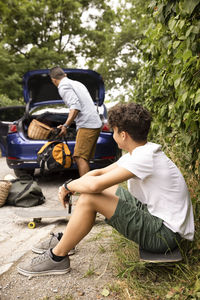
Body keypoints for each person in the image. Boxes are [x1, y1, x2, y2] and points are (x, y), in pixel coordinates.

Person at [17, 102, 194, 277]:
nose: (112, 135)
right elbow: (99, 173)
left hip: (165, 235)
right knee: (105, 189)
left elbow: (95, 185)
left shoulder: (144, 157)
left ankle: (57, 257)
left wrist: (67, 186)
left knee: (90, 197)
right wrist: (76, 185)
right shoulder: (142, 151)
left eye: (114, 131)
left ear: (123, 135)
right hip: (155, 217)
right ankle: (67, 238)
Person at [49, 66, 102, 176]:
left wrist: (66, 126)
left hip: (87, 124)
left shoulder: (63, 86)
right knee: (84, 158)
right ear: (65, 75)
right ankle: (90, 188)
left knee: (79, 157)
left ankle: (85, 189)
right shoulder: (77, 83)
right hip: (93, 122)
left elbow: (75, 107)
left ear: (53, 80)